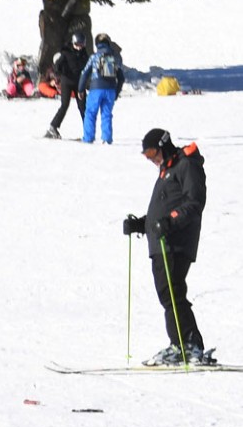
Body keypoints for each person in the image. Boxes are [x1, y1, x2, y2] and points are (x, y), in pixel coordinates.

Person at [124, 129, 211, 366]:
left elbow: (195, 202)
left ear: (164, 146)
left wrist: (170, 222)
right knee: (168, 294)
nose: (151, 159)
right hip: (163, 242)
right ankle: (181, 343)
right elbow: (162, 210)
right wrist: (141, 224)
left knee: (172, 292)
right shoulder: (168, 170)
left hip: (176, 242)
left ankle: (188, 344)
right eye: (146, 156)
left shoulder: (186, 166)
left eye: (152, 153)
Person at [79, 33, 124, 144]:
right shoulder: (115, 58)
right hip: (111, 90)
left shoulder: (94, 57)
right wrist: (116, 92)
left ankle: (88, 138)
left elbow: (84, 74)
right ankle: (106, 139)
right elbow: (121, 77)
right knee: (106, 114)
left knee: (90, 113)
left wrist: (80, 89)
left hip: (96, 89)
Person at [44, 32, 89, 139]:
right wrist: (59, 76)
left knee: (83, 107)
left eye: (81, 45)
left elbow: (87, 67)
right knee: (64, 105)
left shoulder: (84, 54)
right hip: (67, 82)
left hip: (79, 83)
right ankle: (53, 127)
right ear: (73, 43)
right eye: (77, 45)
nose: (79, 48)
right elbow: (56, 67)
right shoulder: (66, 52)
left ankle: (88, 130)